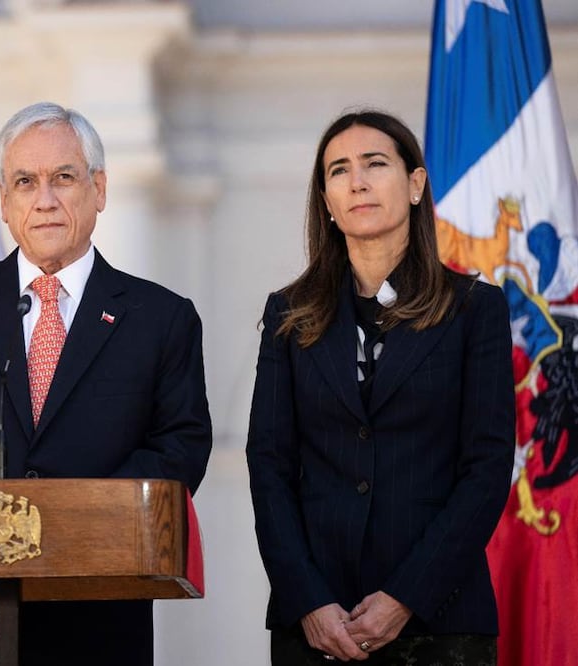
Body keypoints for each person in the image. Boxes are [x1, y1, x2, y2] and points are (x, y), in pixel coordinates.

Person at [0, 101, 212, 665]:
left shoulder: (162, 317)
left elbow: (180, 448)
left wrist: (73, 520)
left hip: (98, 614)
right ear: (4, 201)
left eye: (64, 178)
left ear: (99, 190)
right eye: (26, 182)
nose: (46, 199)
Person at [246, 109, 514, 664]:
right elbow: (268, 465)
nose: (357, 182)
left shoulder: (474, 310)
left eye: (375, 164)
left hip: (441, 620)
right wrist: (309, 599)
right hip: (317, 624)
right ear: (327, 199)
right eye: (339, 170)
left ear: (415, 184)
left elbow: (486, 469)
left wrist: (404, 598)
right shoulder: (288, 314)